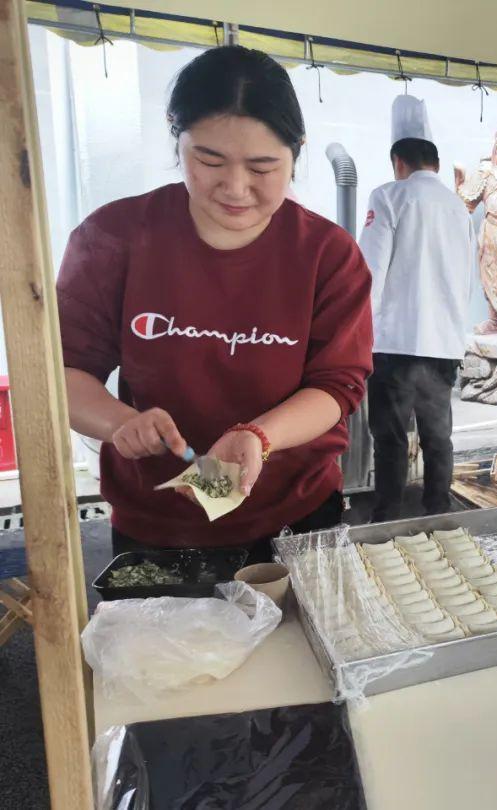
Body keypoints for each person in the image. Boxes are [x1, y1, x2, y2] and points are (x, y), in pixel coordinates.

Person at [57, 46, 373, 561]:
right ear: (175, 139)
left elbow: (337, 386)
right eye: (208, 160)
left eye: (263, 166)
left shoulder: (326, 254)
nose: (236, 188)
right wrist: (119, 422)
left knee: (298, 640)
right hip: (157, 522)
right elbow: (65, 374)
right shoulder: (113, 237)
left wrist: (258, 435)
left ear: (298, 152)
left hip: (294, 513)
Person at [359, 95, 476, 521]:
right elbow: (465, 280)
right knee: (437, 437)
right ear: (437, 165)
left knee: (390, 438)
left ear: (397, 162)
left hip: (397, 342)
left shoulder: (388, 196)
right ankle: (438, 515)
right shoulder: (457, 209)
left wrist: (359, 337)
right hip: (444, 343)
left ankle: (387, 519)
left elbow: (368, 274)